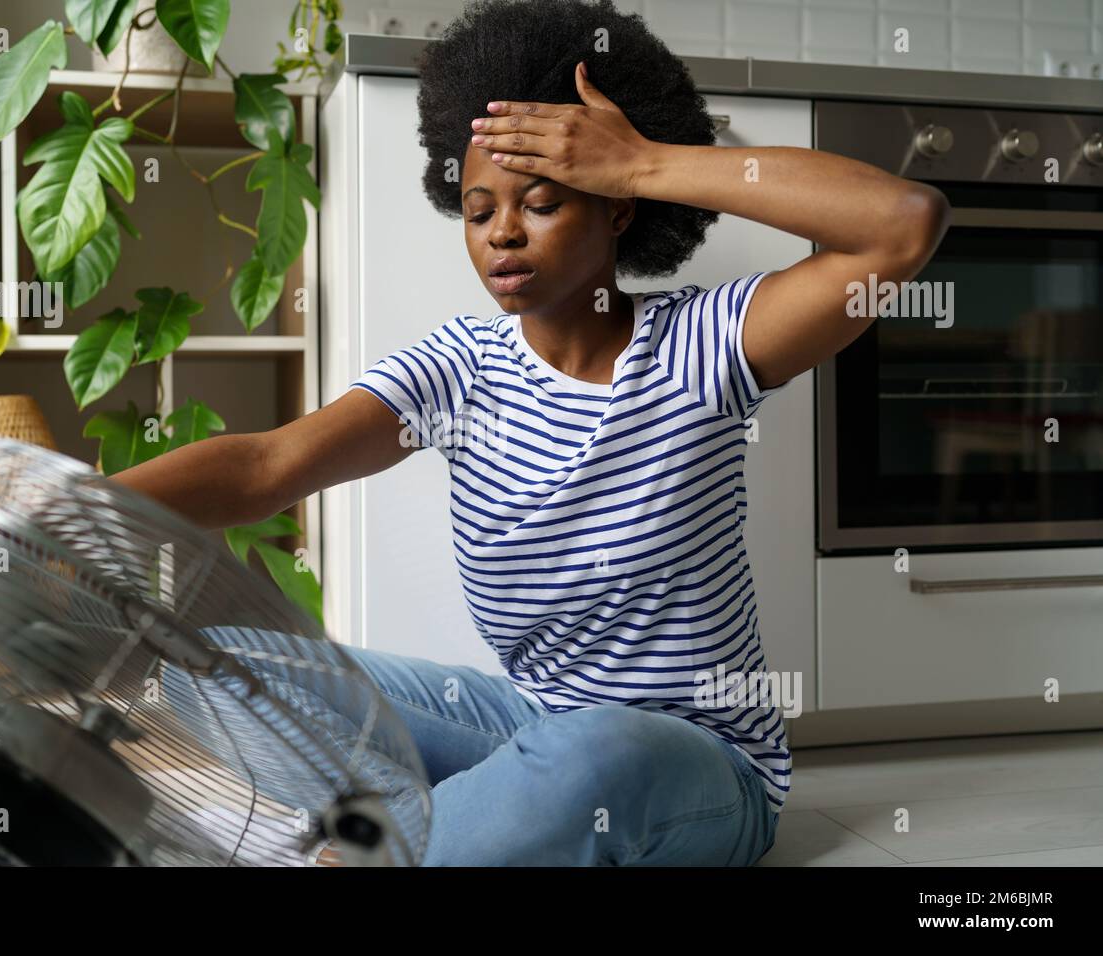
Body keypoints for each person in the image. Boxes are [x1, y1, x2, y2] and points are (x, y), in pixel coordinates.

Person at [112, 0, 949, 865]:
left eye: (542, 201)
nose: (504, 232)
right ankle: (413, 841)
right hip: (524, 728)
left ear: (618, 209)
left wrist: (649, 161)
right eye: (479, 212)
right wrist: (53, 511)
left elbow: (902, 225)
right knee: (205, 662)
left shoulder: (709, 343)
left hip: (690, 763)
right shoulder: (461, 368)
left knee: (594, 755)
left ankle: (393, 842)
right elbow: (264, 465)